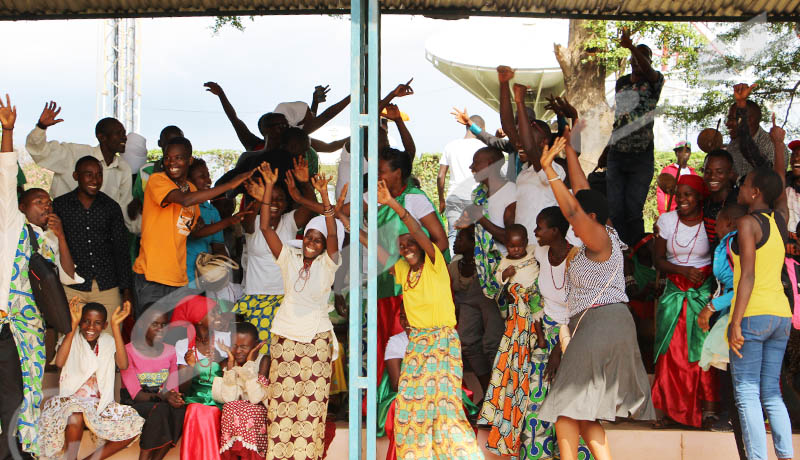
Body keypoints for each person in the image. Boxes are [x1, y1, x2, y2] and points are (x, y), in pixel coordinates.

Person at [536, 133, 654, 460]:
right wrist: (569, 149)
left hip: (600, 322)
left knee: (562, 406)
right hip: (605, 323)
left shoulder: (598, 237)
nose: (570, 222)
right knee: (584, 415)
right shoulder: (607, 230)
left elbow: (575, 209)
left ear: (589, 219)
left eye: (576, 216)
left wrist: (550, 171)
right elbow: (582, 190)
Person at [357, 179, 482, 460]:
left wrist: (392, 204)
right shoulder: (404, 270)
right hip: (417, 344)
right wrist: (344, 219)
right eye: (402, 245)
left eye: (411, 243)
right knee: (410, 406)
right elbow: (375, 248)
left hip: (441, 340)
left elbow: (417, 230)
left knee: (445, 408)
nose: (406, 248)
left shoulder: (435, 263)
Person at [0, 95, 83, 458]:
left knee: (28, 389)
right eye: (38, 202)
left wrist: (61, 235)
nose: (45, 205)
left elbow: (67, 275)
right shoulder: (10, 222)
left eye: (48, 202)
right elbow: (5, 174)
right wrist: (8, 130)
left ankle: (26, 449)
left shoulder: (47, 239)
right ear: (21, 205)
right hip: (4, 318)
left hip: (30, 324)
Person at [255, 163, 343, 460]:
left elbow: (332, 235)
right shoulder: (288, 259)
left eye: (317, 240)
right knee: (281, 407)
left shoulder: (329, 263)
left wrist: (324, 194)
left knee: (312, 409)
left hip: (317, 341)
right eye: (308, 236)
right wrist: (269, 186)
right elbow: (266, 227)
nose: (311, 242)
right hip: (285, 338)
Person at [132, 136, 252, 317]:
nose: (172, 162)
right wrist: (230, 184)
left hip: (179, 278)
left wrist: (230, 221)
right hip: (152, 276)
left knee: (176, 336)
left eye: (178, 157)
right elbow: (185, 200)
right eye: (167, 157)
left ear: (189, 160)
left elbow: (196, 232)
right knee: (151, 336)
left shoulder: (191, 188)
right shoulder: (158, 180)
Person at [728, 165, 793, 460]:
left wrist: (736, 322)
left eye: (744, 185)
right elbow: (778, 187)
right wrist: (778, 147)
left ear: (754, 193)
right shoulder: (780, 219)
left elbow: (748, 276)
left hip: (753, 314)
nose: (740, 188)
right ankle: (786, 456)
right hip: (781, 314)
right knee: (771, 392)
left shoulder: (746, 223)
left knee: (746, 392)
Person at [526, 206, 594, 460]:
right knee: (537, 396)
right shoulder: (541, 254)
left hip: (574, 333)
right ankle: (538, 454)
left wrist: (559, 349)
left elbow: (583, 309)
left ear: (555, 231)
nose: (536, 232)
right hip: (547, 331)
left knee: (573, 399)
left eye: (540, 227)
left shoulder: (578, 258)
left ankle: (574, 454)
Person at [651, 174, 717, 429]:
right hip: (674, 290)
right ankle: (669, 412)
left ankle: (706, 412)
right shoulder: (666, 220)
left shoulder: (710, 223)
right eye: (678, 195)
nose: (682, 199)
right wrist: (681, 271)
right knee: (670, 352)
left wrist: (700, 277)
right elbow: (658, 260)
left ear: (700, 197)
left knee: (702, 350)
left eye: (688, 194)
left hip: (703, 291)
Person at [38, 300, 143, 460]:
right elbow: (59, 362)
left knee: (134, 423)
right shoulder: (71, 338)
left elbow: (123, 364)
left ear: (105, 325)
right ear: (80, 321)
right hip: (70, 401)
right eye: (86, 321)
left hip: (99, 405)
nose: (91, 327)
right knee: (76, 413)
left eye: (97, 323)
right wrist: (72, 327)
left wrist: (116, 327)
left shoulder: (108, 342)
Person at [236, 157, 316, 354]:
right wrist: (261, 196)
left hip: (285, 297)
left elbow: (313, 207)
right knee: (259, 353)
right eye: (270, 198)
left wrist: (305, 183)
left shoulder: (289, 221)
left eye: (279, 199)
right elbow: (248, 221)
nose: (274, 203)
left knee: (283, 352)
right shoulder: (252, 221)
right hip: (257, 297)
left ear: (287, 203)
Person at [479, 224, 543, 457]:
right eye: (511, 246)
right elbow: (495, 290)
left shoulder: (536, 252)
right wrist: (504, 279)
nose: (515, 250)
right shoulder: (504, 264)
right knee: (511, 362)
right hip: (517, 319)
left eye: (519, 245)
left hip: (537, 315)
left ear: (526, 241)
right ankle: (504, 410)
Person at [25, 101, 137, 232]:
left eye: (124, 133)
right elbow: (40, 152)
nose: (124, 138)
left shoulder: (123, 168)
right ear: (101, 137)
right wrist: (41, 127)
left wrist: (139, 228)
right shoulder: (74, 154)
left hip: (99, 236)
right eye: (119, 133)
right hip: (63, 231)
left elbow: (123, 208)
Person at [54, 155, 133, 322]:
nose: (95, 180)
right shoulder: (60, 205)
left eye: (99, 174)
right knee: (70, 342)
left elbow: (121, 249)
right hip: (71, 286)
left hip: (107, 286)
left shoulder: (111, 207)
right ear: (76, 176)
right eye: (89, 174)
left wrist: (126, 290)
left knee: (111, 339)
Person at [605, 29, 665, 246]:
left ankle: (636, 255)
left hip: (641, 155)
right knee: (615, 209)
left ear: (649, 61)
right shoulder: (622, 82)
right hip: (617, 153)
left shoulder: (655, 81)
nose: (638, 61)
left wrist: (631, 47)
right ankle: (618, 254)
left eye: (644, 57)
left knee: (633, 210)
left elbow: (648, 71)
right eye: (635, 57)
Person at [697, 203, 748, 457]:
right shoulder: (728, 243)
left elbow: (741, 285)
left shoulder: (733, 243)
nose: (713, 227)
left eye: (716, 222)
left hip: (737, 312)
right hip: (728, 310)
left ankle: (733, 416)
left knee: (730, 369)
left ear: (728, 222)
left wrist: (711, 306)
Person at [120, 307, 186, 460]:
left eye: (163, 325)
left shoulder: (170, 351)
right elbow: (136, 395)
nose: (160, 329)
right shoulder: (128, 351)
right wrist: (165, 396)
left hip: (161, 401)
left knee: (181, 411)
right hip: (134, 403)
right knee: (160, 409)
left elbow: (172, 388)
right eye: (154, 324)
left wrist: (175, 398)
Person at [458, 146, 516, 317]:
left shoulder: (510, 192)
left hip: (506, 271)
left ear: (491, 165)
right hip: (485, 272)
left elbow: (511, 239)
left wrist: (480, 217)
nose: (471, 167)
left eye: (476, 163)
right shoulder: (479, 195)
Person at [173, 295, 230, 460]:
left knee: (207, 411)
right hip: (195, 399)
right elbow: (183, 388)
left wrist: (224, 358)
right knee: (196, 410)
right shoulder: (183, 345)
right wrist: (190, 367)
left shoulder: (223, 339)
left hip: (220, 397)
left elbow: (231, 376)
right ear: (198, 320)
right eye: (213, 313)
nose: (218, 317)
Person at [448, 226, 503, 394]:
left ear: (474, 243)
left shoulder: (486, 269)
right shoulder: (454, 266)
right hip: (468, 308)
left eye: (460, 239)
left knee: (493, 344)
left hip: (487, 303)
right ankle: (489, 394)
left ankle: (500, 394)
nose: (455, 242)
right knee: (468, 343)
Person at [511, 82, 567, 242]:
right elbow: (509, 128)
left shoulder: (552, 169)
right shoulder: (524, 172)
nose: (521, 143)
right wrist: (503, 85)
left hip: (540, 245)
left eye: (526, 137)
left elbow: (530, 148)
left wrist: (520, 102)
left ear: (544, 141)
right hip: (524, 246)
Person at [185, 158, 252, 286]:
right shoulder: (180, 206)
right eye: (202, 176)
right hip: (177, 277)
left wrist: (220, 269)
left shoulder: (212, 212)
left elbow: (219, 247)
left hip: (201, 279)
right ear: (188, 180)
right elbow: (195, 233)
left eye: (208, 176)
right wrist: (231, 220)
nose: (208, 180)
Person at [213, 322, 270, 460]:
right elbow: (229, 399)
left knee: (248, 409)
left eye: (244, 347)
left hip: (256, 413)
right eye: (234, 346)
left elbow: (256, 398)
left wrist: (249, 364)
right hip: (235, 414)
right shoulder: (229, 362)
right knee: (231, 408)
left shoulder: (264, 361)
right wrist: (231, 365)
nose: (238, 351)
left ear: (256, 345)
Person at [438, 114, 485, 249]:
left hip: (454, 197)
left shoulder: (450, 146)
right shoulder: (482, 146)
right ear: (479, 128)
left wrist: (441, 200)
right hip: (475, 198)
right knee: (476, 236)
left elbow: (441, 176)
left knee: (454, 236)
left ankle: (453, 268)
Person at [725, 84, 788, 178]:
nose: (727, 124)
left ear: (749, 120)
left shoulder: (772, 145)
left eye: (732, 119)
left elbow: (774, 182)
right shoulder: (732, 146)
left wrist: (736, 180)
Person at [702, 149, 739, 248]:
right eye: (708, 172)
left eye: (719, 172)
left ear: (730, 173)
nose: (712, 177)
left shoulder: (737, 205)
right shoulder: (704, 203)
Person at [657, 141, 698, 215]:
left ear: (690, 154)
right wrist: (662, 213)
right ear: (676, 153)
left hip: (689, 214)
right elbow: (660, 193)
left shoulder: (693, 173)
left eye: (687, 151)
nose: (684, 154)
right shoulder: (668, 170)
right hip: (672, 212)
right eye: (681, 151)